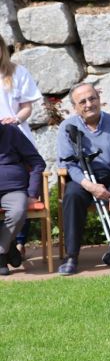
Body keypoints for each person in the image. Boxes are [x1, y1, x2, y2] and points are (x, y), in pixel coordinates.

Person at [56, 83, 110, 275]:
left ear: (99, 99)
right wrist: (91, 186)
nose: (89, 104)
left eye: (92, 98)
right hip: (83, 179)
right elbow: (69, 165)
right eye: (83, 101)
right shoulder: (67, 127)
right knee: (71, 196)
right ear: (75, 107)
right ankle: (72, 256)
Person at [0, 35, 43, 259]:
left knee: (21, 190)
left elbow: (27, 107)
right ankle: (7, 252)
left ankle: (18, 244)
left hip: (16, 137)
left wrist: (15, 120)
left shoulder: (17, 73)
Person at [0, 123, 45, 275]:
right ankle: (8, 248)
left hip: (14, 188)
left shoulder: (11, 132)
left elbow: (37, 162)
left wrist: (32, 193)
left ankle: (1, 251)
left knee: (18, 211)